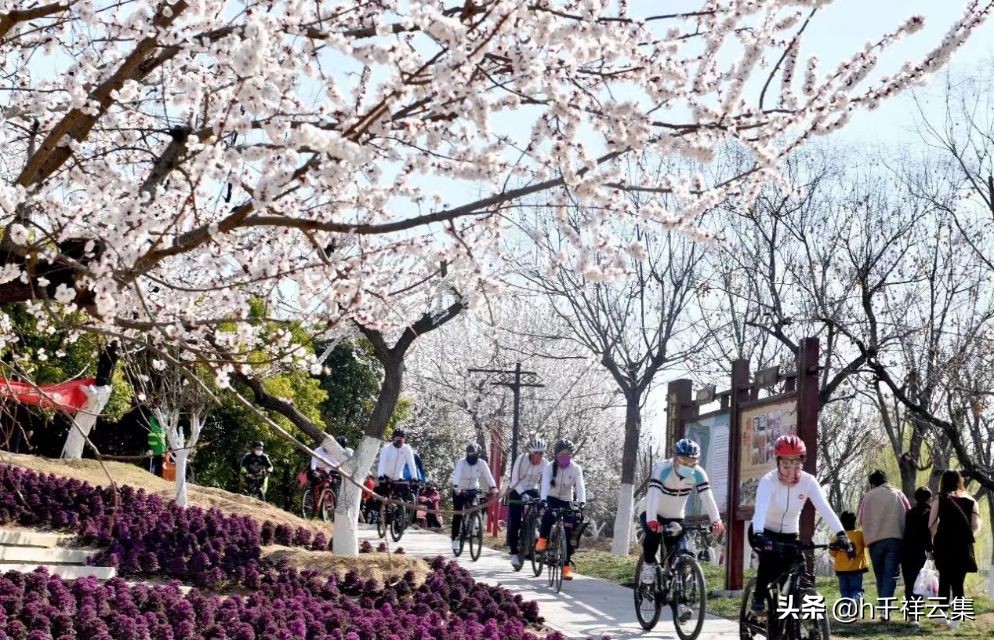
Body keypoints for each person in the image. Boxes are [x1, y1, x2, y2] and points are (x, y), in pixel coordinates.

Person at [749, 434, 852, 619]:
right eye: (787, 464)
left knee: (798, 568)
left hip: (789, 535)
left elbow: (825, 508)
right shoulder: (768, 481)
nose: (792, 470)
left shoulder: (808, 482)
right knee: (769, 559)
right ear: (778, 462)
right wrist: (758, 533)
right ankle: (758, 598)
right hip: (764, 531)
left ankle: (793, 615)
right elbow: (761, 509)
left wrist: (841, 534)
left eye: (797, 464)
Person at [639, 438, 725, 585]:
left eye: (692, 461)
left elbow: (707, 498)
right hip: (651, 511)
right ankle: (648, 565)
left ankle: (679, 597)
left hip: (675, 516)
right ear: (675, 458)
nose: (688, 465)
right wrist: (652, 520)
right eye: (684, 460)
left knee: (677, 554)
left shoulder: (698, 473)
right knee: (653, 537)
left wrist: (716, 520)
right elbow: (653, 495)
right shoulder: (662, 469)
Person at [929, 469, 981, 630]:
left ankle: (942, 614)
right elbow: (975, 526)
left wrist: (936, 538)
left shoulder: (940, 499)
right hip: (963, 546)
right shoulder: (971, 500)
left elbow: (931, 524)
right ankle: (956, 619)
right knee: (958, 582)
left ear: (943, 482)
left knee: (944, 579)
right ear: (960, 481)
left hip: (943, 545)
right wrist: (963, 536)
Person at [857, 469, 910, 605]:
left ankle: (883, 606)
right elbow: (909, 513)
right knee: (890, 575)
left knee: (880, 575)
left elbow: (861, 519)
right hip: (895, 539)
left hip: (874, 541)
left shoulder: (867, 497)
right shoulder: (898, 494)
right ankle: (884, 607)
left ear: (872, 484)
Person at [535, 439, 585, 581]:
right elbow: (544, 485)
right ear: (556, 455)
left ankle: (565, 567)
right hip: (551, 497)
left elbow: (580, 487)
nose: (565, 457)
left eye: (568, 454)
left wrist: (581, 503)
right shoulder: (549, 467)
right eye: (562, 454)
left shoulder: (575, 468)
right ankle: (543, 538)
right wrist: (543, 501)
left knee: (569, 532)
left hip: (566, 499)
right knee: (549, 515)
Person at [505, 436, 549, 569]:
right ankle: (514, 552)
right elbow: (513, 480)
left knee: (541, 511)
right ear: (531, 453)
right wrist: (522, 494)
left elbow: (545, 483)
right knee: (515, 522)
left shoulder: (545, 464)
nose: (539, 457)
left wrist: (544, 498)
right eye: (536, 453)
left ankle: (534, 529)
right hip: (517, 490)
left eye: (541, 454)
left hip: (532, 490)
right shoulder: (521, 459)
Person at [450, 443, 498, 552]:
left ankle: (475, 522)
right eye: (470, 456)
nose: (472, 458)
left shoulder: (482, 463)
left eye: (475, 456)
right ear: (467, 454)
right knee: (458, 513)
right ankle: (455, 539)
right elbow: (457, 475)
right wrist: (456, 487)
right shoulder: (461, 462)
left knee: (476, 506)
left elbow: (488, 475)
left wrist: (494, 487)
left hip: (473, 488)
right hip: (460, 489)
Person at [902, 486, 934, 612]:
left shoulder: (909, 514)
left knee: (909, 582)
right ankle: (916, 611)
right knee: (921, 582)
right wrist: (931, 550)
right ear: (929, 499)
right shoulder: (931, 513)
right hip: (922, 552)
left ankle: (911, 612)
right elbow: (930, 534)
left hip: (907, 551)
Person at [829, 511, 869, 601]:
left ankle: (847, 612)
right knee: (856, 589)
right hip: (856, 569)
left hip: (841, 571)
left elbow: (832, 553)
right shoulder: (860, 535)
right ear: (854, 522)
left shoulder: (836, 537)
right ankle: (856, 598)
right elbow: (868, 544)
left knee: (844, 592)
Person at [376, 429, 418, 503]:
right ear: (393, 438)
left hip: (398, 477)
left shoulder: (407, 449)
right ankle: (377, 511)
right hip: (386, 476)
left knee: (401, 496)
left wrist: (414, 477)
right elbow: (381, 463)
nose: (399, 440)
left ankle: (400, 512)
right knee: (382, 496)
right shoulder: (386, 448)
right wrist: (380, 476)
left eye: (401, 438)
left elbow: (411, 463)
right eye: (397, 438)